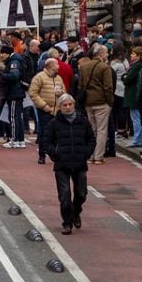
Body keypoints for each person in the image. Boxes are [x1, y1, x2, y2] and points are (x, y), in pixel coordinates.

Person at [40, 93, 94, 235]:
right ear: (60, 106)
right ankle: (67, 223)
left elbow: (91, 139)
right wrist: (55, 154)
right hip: (62, 164)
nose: (68, 107)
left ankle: (76, 212)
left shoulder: (82, 120)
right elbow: (47, 141)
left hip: (79, 162)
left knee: (81, 193)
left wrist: (85, 153)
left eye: (70, 104)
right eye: (65, 105)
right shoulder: (54, 123)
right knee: (64, 196)